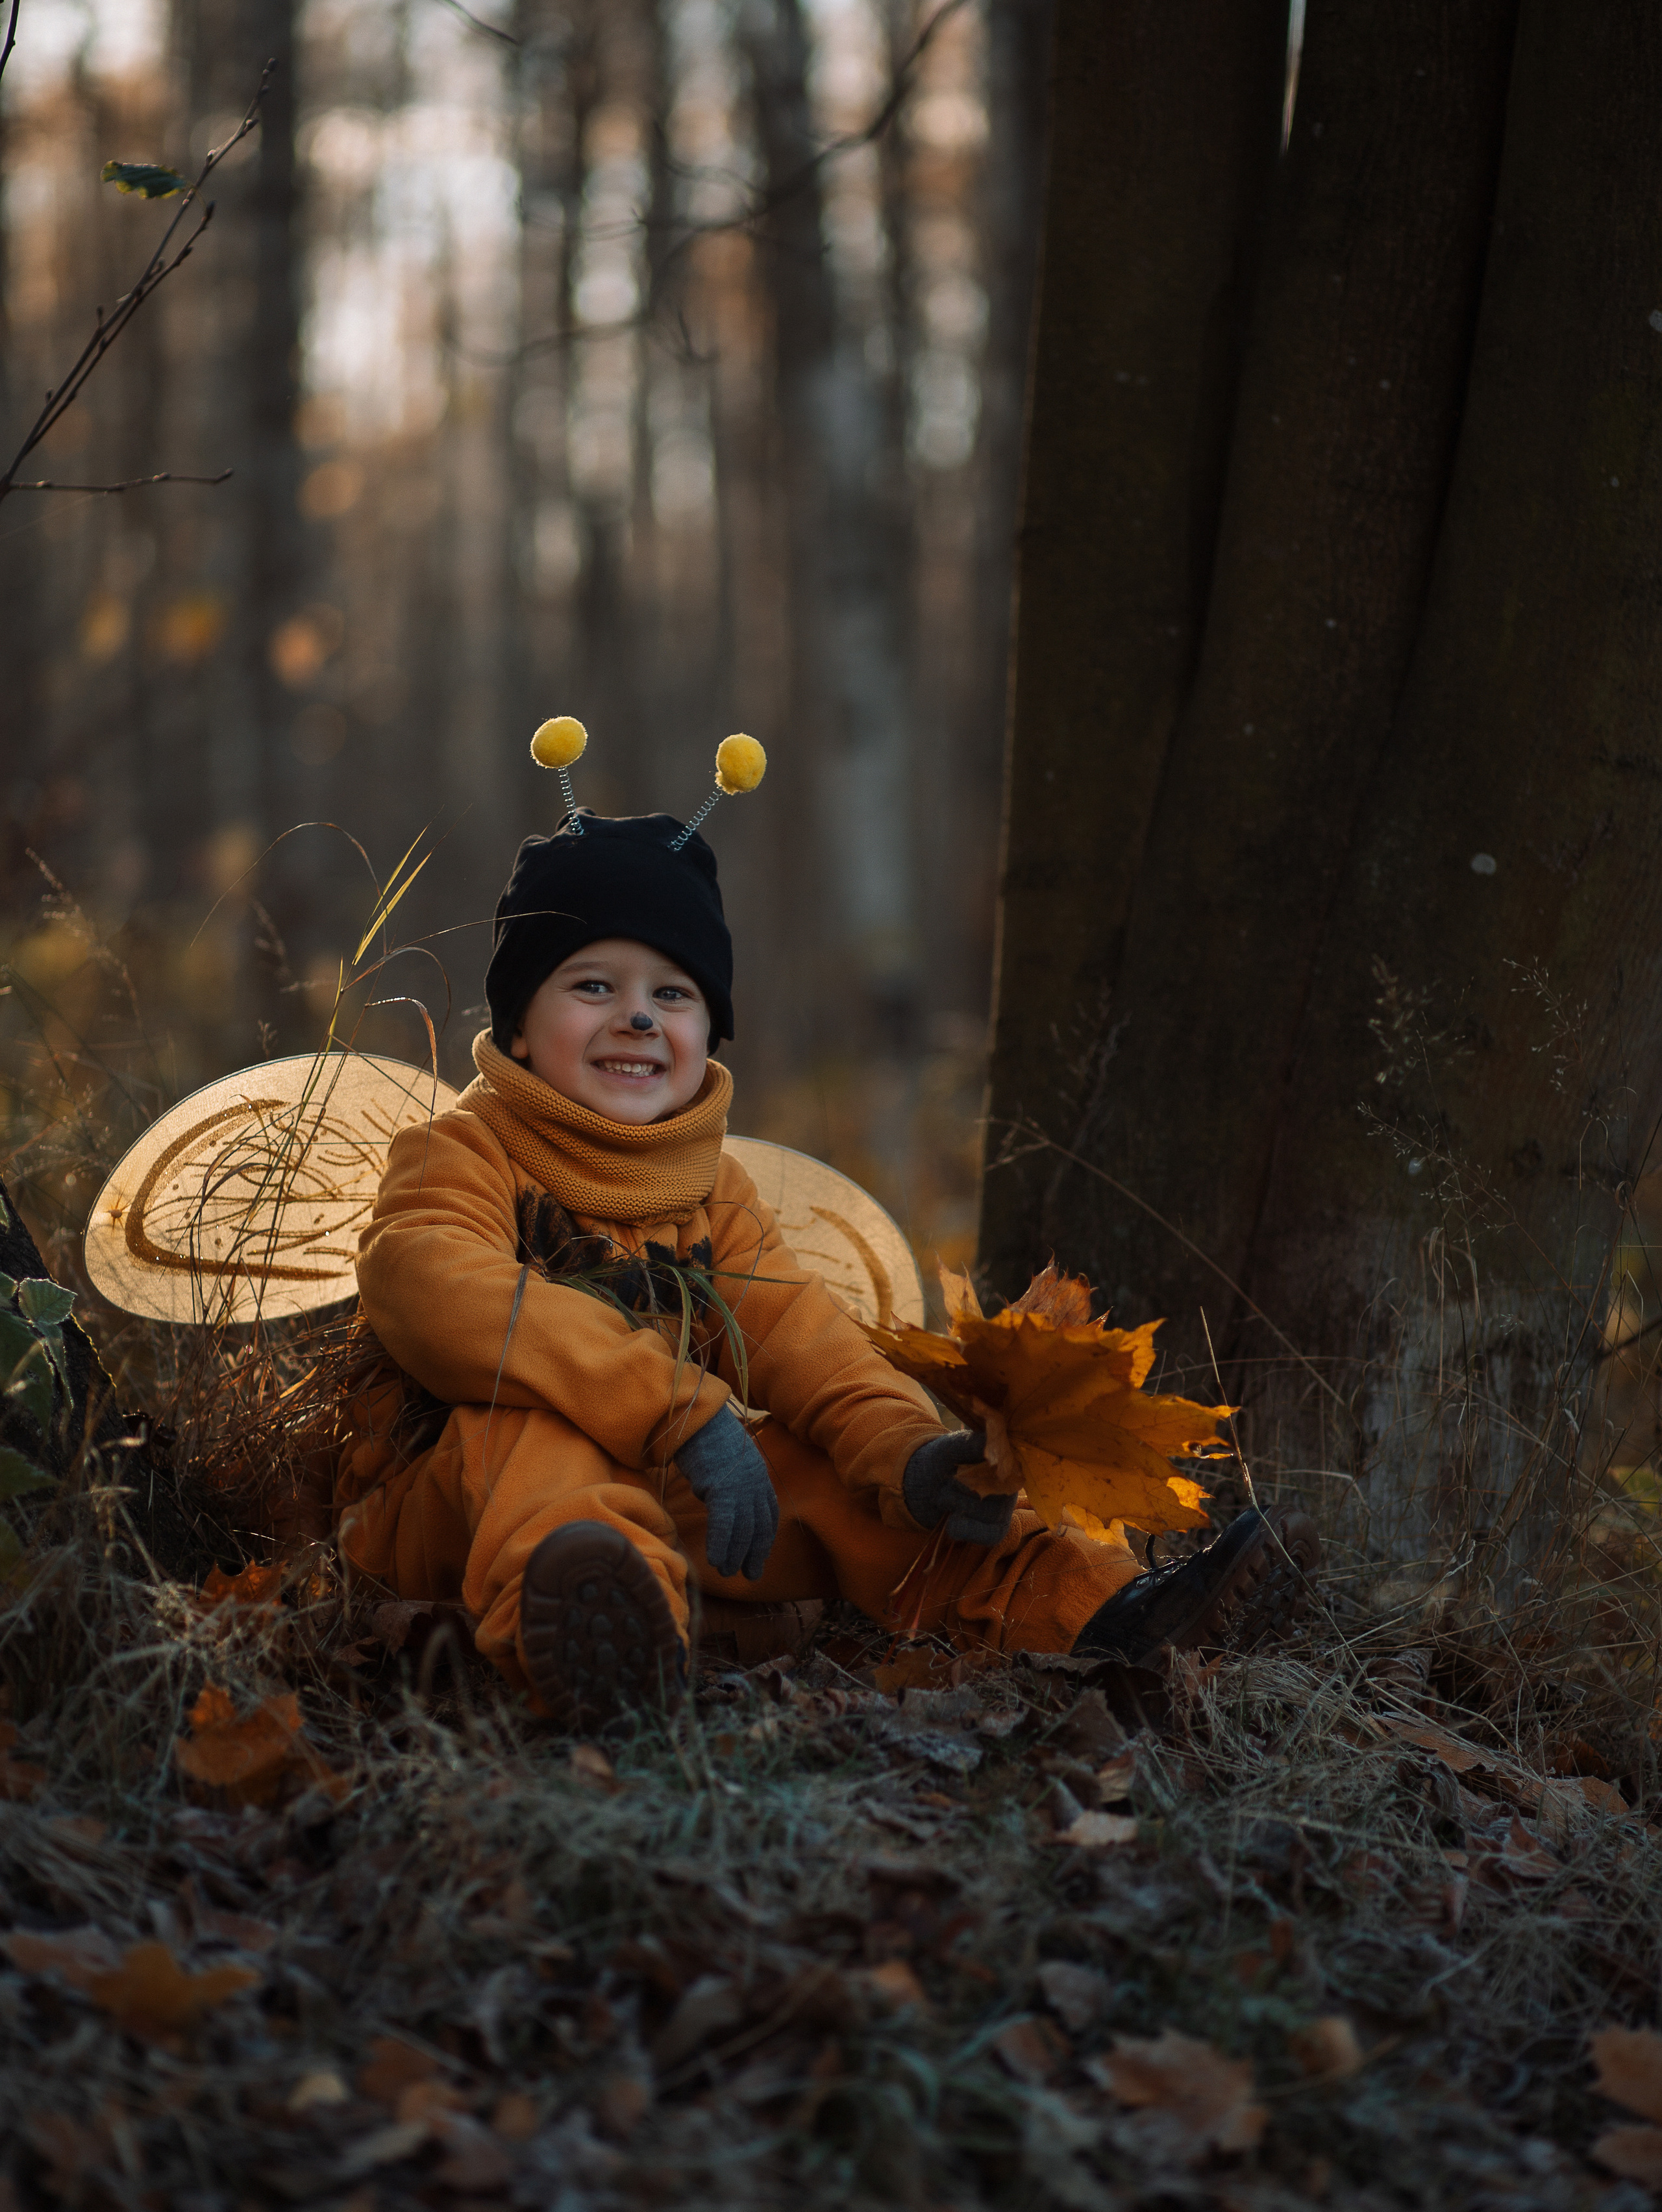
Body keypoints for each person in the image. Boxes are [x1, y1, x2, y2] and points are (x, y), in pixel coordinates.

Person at [332, 747, 1317, 1726]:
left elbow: (805, 1340)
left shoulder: (715, 1191)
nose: (636, 1015)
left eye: (673, 996)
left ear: (707, 1034)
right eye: (592, 986)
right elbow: (432, 1283)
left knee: (826, 1468)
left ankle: (1098, 1608)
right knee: (530, 1420)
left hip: (670, 1498)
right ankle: (601, 1648)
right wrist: (677, 1407)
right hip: (455, 1512)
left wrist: (906, 1453)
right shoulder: (465, 1150)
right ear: (516, 1029)